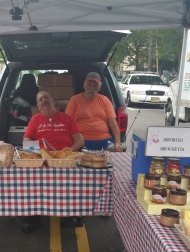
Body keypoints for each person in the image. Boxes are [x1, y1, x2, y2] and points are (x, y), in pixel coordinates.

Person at [22, 91, 84, 232]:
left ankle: (70, 215)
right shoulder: (35, 120)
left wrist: (67, 154)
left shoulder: (67, 118)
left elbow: (80, 140)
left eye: (46, 97)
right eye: (40, 99)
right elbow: (26, 140)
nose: (44, 100)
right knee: (31, 180)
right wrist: (38, 153)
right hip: (43, 160)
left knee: (72, 179)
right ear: (38, 105)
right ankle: (33, 218)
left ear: (53, 100)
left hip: (64, 160)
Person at [65, 72, 123, 152]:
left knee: (115, 151)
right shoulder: (74, 100)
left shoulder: (105, 100)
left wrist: (118, 142)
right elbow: (68, 123)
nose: (92, 88)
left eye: (95, 85)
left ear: (99, 88)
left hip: (105, 141)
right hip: (82, 141)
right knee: (83, 158)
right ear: (84, 86)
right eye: (89, 85)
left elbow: (113, 124)